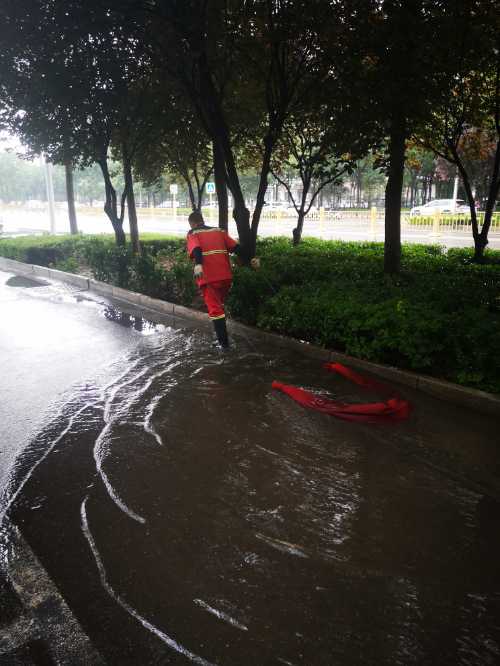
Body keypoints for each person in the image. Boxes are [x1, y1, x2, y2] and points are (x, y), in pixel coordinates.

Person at [186, 210, 258, 348]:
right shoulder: (219, 231)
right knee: (219, 306)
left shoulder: (193, 233)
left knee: (215, 310)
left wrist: (199, 265)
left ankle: (223, 346)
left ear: (192, 223)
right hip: (226, 278)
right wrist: (251, 258)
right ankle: (222, 337)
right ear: (202, 220)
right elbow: (237, 248)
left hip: (209, 278)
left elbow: (196, 249)